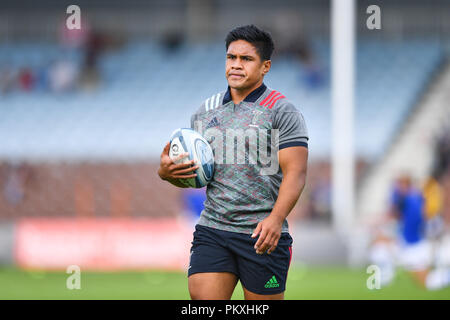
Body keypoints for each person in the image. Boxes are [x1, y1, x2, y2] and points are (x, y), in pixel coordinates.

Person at [158, 25, 308, 300]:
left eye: (246, 59)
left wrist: (276, 219)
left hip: (262, 234)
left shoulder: (283, 111)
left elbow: (296, 173)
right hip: (213, 229)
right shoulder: (205, 111)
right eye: (231, 58)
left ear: (265, 66)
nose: (236, 65)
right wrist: (168, 173)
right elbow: (196, 174)